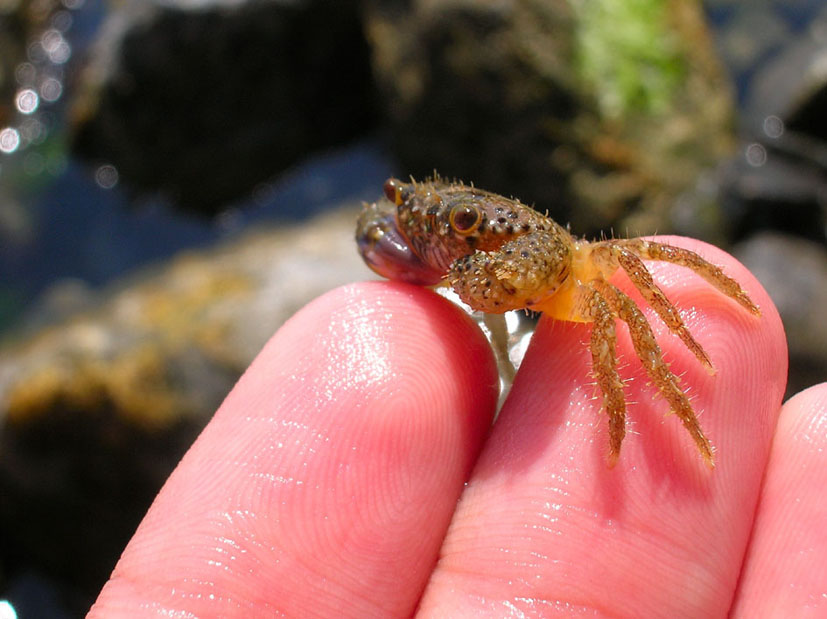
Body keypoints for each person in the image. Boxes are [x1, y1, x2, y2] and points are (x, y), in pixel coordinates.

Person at [89, 238, 824, 617]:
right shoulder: (422, 240)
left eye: (470, 234)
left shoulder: (569, 266)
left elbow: (605, 282)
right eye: (438, 232)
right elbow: (379, 238)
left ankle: (689, 420)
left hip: (558, 272)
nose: (458, 252)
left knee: (632, 307)